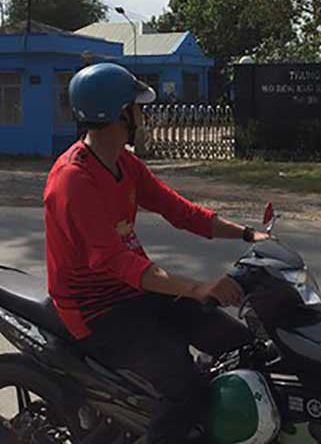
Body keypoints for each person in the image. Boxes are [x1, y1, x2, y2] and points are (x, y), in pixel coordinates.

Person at [43, 62, 267, 443]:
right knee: (184, 386)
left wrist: (247, 234)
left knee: (240, 345)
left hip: (134, 292)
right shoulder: (73, 180)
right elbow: (113, 261)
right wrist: (197, 287)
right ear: (119, 114)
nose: (143, 114)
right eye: (137, 107)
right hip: (95, 310)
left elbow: (178, 210)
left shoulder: (123, 163)